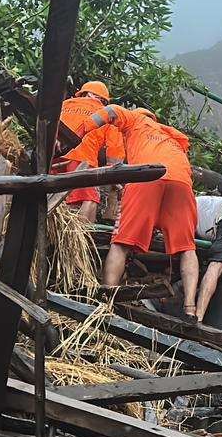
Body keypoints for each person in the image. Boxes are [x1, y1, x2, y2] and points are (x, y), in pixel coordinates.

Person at [78, 107, 198, 318]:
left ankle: (106, 302)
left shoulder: (135, 120)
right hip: (182, 182)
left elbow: (111, 110)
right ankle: (190, 309)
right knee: (187, 248)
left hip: (148, 174)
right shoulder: (170, 136)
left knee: (122, 241)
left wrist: (79, 131)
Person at [55, 80, 115, 223]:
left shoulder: (65, 104)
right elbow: (115, 149)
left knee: (56, 197)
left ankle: (55, 233)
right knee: (89, 198)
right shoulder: (107, 113)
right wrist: (115, 175)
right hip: (82, 157)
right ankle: (81, 238)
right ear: (103, 100)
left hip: (54, 156)